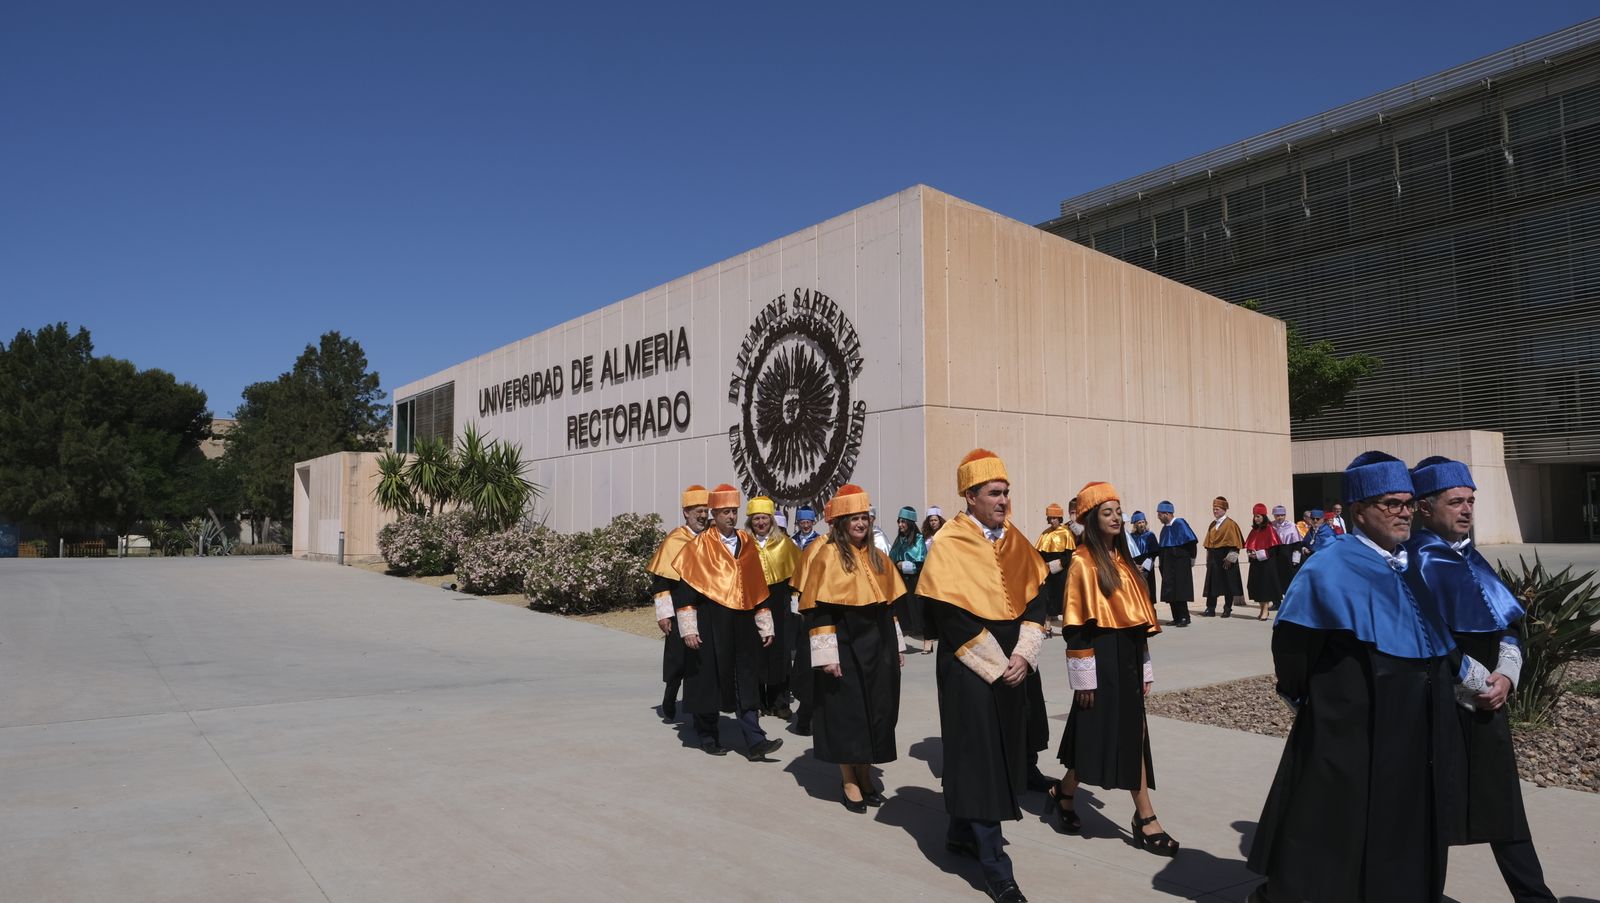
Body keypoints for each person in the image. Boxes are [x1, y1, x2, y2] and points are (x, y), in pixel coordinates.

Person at [1247, 452, 1463, 903]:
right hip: (1350, 725)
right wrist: (1319, 704)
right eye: (1391, 503)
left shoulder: (1411, 562)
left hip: (1414, 728)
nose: (1404, 512)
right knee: (1336, 822)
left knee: (1407, 818)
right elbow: (1293, 649)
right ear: (1359, 511)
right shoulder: (1329, 565)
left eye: (1408, 503)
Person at [1403, 456, 1555, 902]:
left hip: (1490, 703)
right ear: (1425, 508)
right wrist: (1473, 682)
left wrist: (1506, 674)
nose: (1467, 509)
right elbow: (1424, 636)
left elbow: (1507, 622)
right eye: (1456, 502)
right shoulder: (1414, 561)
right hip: (1440, 704)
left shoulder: (1472, 557)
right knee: (1431, 812)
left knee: (1503, 804)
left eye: (1471, 500)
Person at [918, 449, 1049, 903]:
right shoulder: (949, 542)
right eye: (994, 493)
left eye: (1006, 492)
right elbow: (949, 617)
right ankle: (996, 868)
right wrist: (998, 665)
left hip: (1014, 664)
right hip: (969, 667)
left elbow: (1036, 598)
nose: (1003, 500)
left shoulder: (1016, 539)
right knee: (980, 758)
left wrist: (1025, 653)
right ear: (970, 496)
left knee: (994, 752)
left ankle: (960, 832)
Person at [1051, 482, 1176, 857]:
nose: (1117, 518)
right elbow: (1076, 626)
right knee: (1095, 736)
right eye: (1108, 513)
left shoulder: (1124, 560)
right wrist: (1083, 678)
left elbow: (1138, 622)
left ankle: (1144, 815)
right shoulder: (1082, 561)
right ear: (1092, 519)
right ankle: (1065, 791)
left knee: (1134, 734)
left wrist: (1145, 666)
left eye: (1118, 512)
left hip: (1128, 658)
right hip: (1099, 659)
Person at [796, 485, 907, 812]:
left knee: (878, 710)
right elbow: (820, 612)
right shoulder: (826, 556)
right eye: (854, 518)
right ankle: (849, 778)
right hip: (844, 647)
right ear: (842, 522)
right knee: (848, 714)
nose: (860, 523)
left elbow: (889, 606)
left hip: (879, 646)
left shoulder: (878, 557)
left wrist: (898, 645)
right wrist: (826, 656)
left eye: (864, 517)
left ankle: (865, 772)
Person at [671, 484, 784, 761]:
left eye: (734, 511)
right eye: (725, 512)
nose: (731, 517)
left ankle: (755, 740)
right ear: (714, 514)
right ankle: (708, 735)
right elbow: (686, 593)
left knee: (745, 678)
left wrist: (765, 623)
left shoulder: (746, 543)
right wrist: (689, 628)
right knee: (709, 678)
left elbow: (758, 586)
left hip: (742, 622)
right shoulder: (699, 546)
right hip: (710, 620)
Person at [647, 484, 710, 722]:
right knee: (678, 659)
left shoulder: (713, 538)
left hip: (706, 608)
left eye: (705, 511)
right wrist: (664, 615)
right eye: (697, 511)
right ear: (686, 512)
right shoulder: (674, 540)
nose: (702, 515)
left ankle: (700, 709)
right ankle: (670, 694)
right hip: (678, 607)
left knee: (702, 661)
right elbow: (661, 581)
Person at [747, 495, 801, 718]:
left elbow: (797, 574)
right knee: (755, 651)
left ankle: (780, 702)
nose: (761, 522)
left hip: (779, 601)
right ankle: (758, 701)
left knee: (780, 651)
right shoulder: (744, 544)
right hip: (752, 602)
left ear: (771, 519)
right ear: (750, 521)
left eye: (764, 518)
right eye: (756, 518)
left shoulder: (785, 544)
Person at [890, 506, 931, 654]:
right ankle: (899, 643)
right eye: (899, 521)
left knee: (920, 611)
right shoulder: (899, 540)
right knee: (901, 612)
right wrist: (896, 564)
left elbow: (922, 563)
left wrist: (906, 565)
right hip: (902, 581)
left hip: (915, 581)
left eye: (903, 522)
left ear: (910, 523)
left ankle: (927, 642)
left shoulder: (919, 539)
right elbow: (892, 557)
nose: (900, 525)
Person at [1155, 501, 1198, 627]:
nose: (1158, 517)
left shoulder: (1180, 523)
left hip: (1180, 564)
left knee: (1180, 591)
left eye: (1160, 514)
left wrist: (1192, 559)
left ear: (1167, 513)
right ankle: (1176, 617)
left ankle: (1185, 617)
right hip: (1168, 564)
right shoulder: (1165, 528)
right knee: (1170, 592)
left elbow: (1191, 543)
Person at [1202, 497, 1246, 618]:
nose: (1214, 511)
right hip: (1213, 558)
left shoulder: (1231, 524)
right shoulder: (1212, 524)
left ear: (1224, 509)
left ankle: (1227, 609)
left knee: (1228, 584)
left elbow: (1236, 545)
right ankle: (1210, 608)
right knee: (1212, 584)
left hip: (1226, 557)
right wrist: (1208, 560)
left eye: (1217, 509)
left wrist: (1230, 559)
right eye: (1213, 509)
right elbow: (1208, 545)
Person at [1243, 504, 1282, 621]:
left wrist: (1259, 554)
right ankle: (1261, 609)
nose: (1256, 519)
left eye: (1258, 516)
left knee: (1265, 587)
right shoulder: (1254, 530)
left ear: (1264, 516)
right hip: (1255, 564)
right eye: (1255, 516)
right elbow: (1249, 545)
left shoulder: (1270, 529)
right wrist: (1250, 553)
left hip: (1267, 564)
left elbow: (1273, 549)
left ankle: (1265, 610)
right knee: (1257, 586)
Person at [1270, 505, 1302, 597]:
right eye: (1277, 515)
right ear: (1274, 515)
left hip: (1288, 555)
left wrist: (1296, 559)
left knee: (1289, 578)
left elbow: (1297, 544)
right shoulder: (1271, 526)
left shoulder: (1291, 526)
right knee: (1276, 578)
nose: (1280, 517)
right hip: (1275, 555)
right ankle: (1277, 600)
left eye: (1282, 515)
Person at [1127, 511, 1159, 602]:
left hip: (1147, 565)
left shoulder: (1150, 535)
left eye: (1143, 522)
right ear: (1135, 525)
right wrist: (1134, 565)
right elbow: (1129, 553)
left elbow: (1154, 553)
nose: (1141, 524)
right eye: (1139, 523)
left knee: (1149, 590)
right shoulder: (1131, 537)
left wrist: (1145, 565)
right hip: (1135, 566)